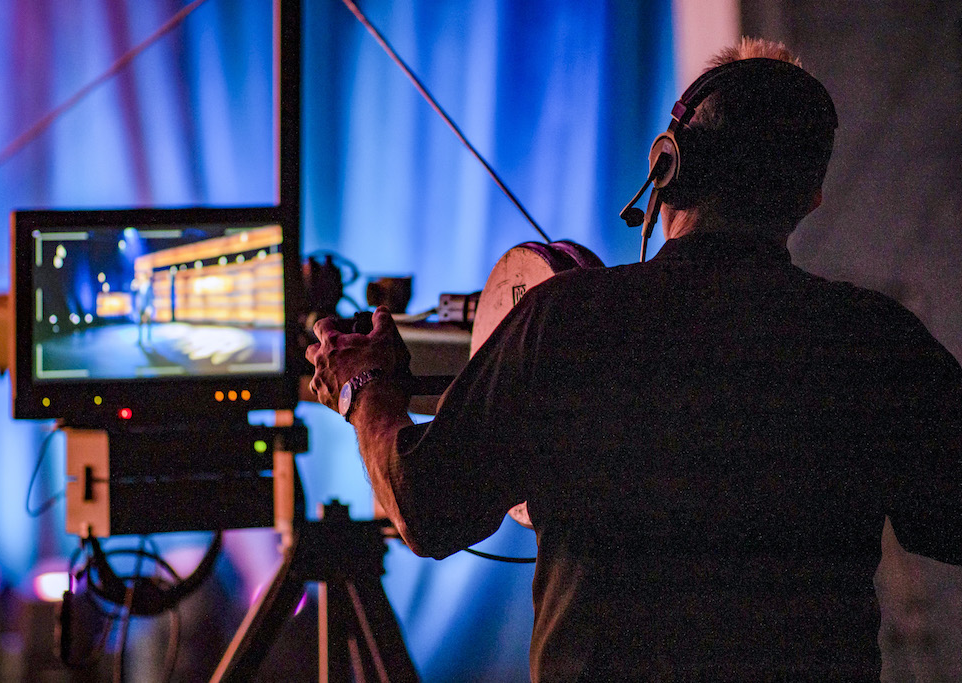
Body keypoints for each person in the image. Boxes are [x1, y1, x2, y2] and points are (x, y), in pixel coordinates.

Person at [306, 38, 962, 680]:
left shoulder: (566, 320)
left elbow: (427, 506)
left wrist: (365, 389)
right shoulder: (876, 339)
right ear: (807, 197)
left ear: (669, 164)